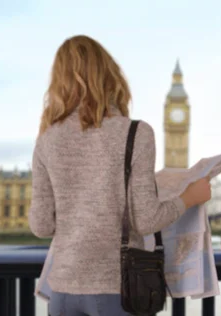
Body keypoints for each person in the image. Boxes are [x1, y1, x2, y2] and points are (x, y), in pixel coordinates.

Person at [28, 35, 211, 316]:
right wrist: (189, 197)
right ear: (110, 76)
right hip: (117, 289)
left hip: (62, 292)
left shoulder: (47, 139)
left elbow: (41, 226)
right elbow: (146, 219)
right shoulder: (135, 133)